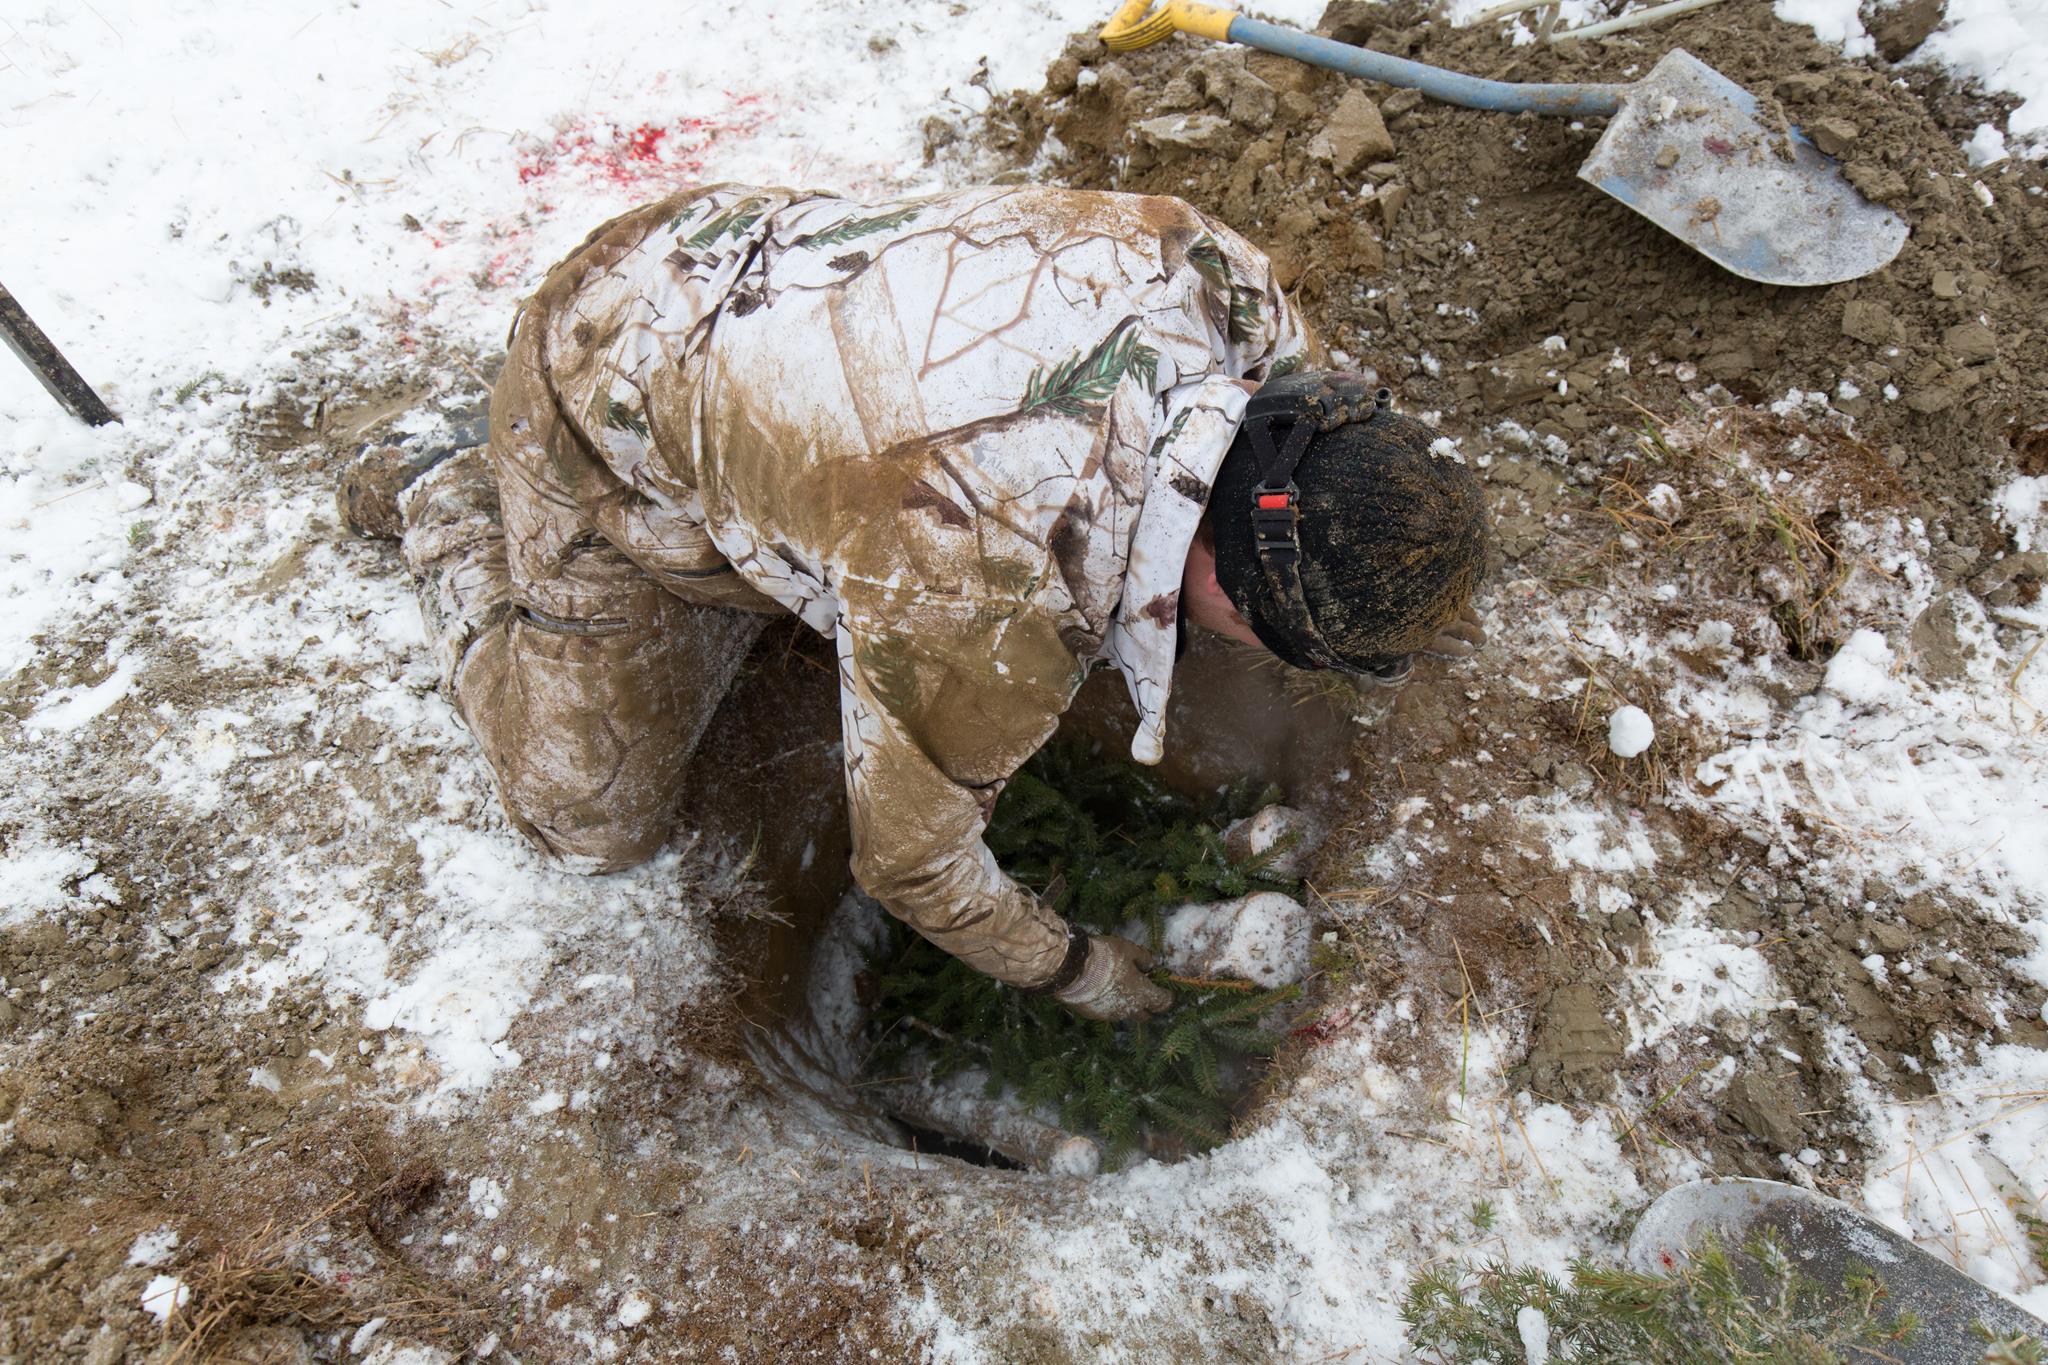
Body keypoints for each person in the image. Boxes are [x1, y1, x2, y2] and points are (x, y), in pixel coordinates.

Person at [340, 182, 1489, 1023]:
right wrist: (1075, 968)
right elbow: (907, 864)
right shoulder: (989, 577)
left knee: (858, 552)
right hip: (607, 381)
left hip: (742, 266)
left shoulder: (1234, 295)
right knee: (587, 815)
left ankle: (774, 530)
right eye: (1265, 636)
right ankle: (445, 482)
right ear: (1225, 577)